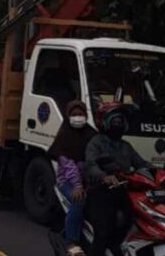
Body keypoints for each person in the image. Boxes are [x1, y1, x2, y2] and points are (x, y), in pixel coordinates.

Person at [84, 104, 151, 256]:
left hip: (122, 191)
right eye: (115, 122)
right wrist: (103, 176)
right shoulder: (96, 143)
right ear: (106, 123)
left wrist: (159, 172)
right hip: (99, 192)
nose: (118, 125)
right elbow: (90, 165)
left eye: (121, 122)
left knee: (134, 220)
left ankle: (116, 245)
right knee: (103, 230)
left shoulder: (126, 146)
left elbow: (141, 163)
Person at [48, 100, 96, 256]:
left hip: (89, 180)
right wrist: (77, 185)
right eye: (74, 115)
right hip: (68, 182)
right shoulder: (64, 137)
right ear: (68, 116)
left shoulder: (92, 135)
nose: (77, 117)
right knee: (79, 200)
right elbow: (69, 166)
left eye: (80, 114)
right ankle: (71, 242)